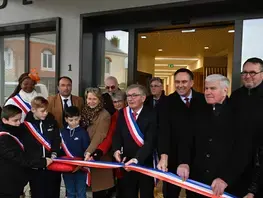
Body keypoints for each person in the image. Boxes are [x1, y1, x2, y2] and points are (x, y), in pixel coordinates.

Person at [177, 74, 239, 197]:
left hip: (223, 182)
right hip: (197, 179)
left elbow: (242, 150)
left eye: (213, 88)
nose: (208, 92)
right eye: (206, 88)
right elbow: (186, 139)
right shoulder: (197, 109)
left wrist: (226, 178)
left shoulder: (238, 112)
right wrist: (184, 162)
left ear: (225, 90)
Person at [157, 68, 206, 198]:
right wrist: (163, 155)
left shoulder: (203, 100)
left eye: (184, 81)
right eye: (177, 82)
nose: (180, 85)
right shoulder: (166, 102)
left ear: (192, 83)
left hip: (198, 160)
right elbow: (163, 131)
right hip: (173, 158)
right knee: (170, 194)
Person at [112, 84, 157, 198]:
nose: (130, 99)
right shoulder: (123, 113)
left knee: (146, 194)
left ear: (143, 98)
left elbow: (150, 142)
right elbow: (117, 134)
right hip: (127, 163)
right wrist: (116, 149)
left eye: (134, 95)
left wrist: (137, 159)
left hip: (145, 162)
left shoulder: (152, 114)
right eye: (128, 96)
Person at [0, 105, 52, 198]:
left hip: (14, 183)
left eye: (20, 119)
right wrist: (42, 162)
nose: (19, 123)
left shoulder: (14, 130)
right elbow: (20, 158)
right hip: (6, 186)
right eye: (15, 120)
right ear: (4, 120)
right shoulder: (3, 139)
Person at [229, 57, 263, 198]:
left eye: (253, 73)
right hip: (238, 160)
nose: (248, 76)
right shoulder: (236, 96)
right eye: (245, 73)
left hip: (259, 160)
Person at [22, 96, 61, 198]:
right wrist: (37, 161)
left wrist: (54, 153)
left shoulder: (51, 121)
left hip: (52, 165)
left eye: (47, 110)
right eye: (42, 111)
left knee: (53, 192)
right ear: (33, 110)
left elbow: (57, 139)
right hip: (36, 168)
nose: (46, 113)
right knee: (38, 193)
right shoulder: (26, 125)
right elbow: (27, 147)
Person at [81, 88, 114, 198]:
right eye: (89, 98)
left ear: (100, 100)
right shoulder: (84, 111)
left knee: (99, 191)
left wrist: (89, 151)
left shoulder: (104, 115)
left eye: (94, 99)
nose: (91, 101)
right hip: (85, 154)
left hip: (98, 155)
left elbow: (100, 135)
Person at [60, 106, 90, 198]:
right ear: (66, 119)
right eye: (71, 120)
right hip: (67, 168)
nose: (74, 122)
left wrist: (81, 165)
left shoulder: (83, 132)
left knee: (81, 192)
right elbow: (60, 150)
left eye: (76, 119)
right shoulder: (62, 132)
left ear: (80, 118)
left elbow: (86, 150)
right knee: (70, 191)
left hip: (80, 168)